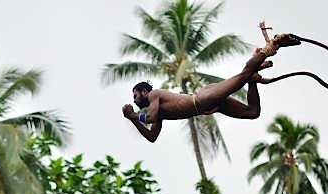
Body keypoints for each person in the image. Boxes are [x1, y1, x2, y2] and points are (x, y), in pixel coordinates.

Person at [121, 33, 300, 143]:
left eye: (135, 95)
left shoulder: (154, 95)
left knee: (242, 75)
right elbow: (152, 137)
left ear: (144, 91)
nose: (134, 100)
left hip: (202, 99)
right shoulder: (156, 111)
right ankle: (252, 79)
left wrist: (132, 115)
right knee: (252, 112)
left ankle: (271, 46)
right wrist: (134, 119)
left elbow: (150, 117)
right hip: (208, 104)